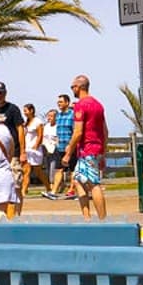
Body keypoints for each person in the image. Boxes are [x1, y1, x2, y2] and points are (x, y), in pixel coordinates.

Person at [63, 75, 108, 221]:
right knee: (77, 180)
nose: (72, 90)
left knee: (93, 184)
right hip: (95, 149)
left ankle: (102, 220)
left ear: (78, 87)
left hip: (87, 149)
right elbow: (105, 131)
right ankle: (87, 217)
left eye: (72, 87)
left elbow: (78, 132)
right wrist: (103, 153)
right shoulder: (98, 105)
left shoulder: (81, 105)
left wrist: (68, 152)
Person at [0, 81, 25, 208]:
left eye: (2, 92)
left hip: (13, 153)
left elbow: (20, 130)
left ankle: (17, 213)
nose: (0, 95)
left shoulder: (13, 109)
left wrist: (22, 152)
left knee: (15, 184)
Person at [49, 92, 76, 198]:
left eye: (61, 102)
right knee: (59, 169)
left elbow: (75, 131)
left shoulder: (73, 115)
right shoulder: (58, 116)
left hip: (70, 147)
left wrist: (71, 145)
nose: (58, 104)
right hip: (60, 147)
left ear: (67, 102)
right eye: (58, 102)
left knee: (73, 169)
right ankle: (53, 192)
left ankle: (71, 190)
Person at [21, 103, 49, 196]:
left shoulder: (38, 121)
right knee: (26, 170)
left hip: (35, 150)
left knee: (38, 171)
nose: (24, 112)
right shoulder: (26, 122)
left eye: (26, 110)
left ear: (31, 110)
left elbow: (40, 134)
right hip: (27, 149)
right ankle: (24, 190)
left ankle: (48, 187)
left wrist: (36, 145)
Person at [41, 109, 59, 191]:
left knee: (53, 169)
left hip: (55, 150)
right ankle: (60, 185)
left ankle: (52, 188)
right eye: (48, 116)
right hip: (46, 150)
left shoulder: (58, 127)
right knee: (48, 169)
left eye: (51, 116)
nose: (49, 118)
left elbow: (58, 139)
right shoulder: (46, 127)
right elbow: (43, 138)